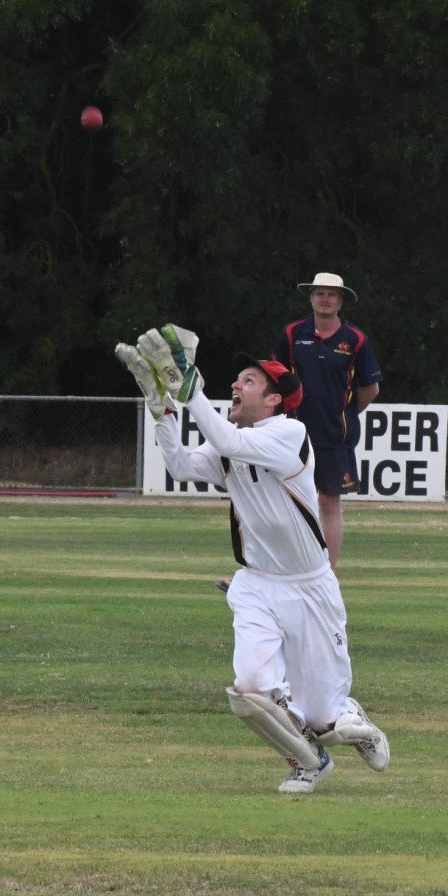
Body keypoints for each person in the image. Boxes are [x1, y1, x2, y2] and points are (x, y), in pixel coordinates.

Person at [115, 325, 391, 794]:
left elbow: (230, 443)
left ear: (274, 400)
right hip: (258, 585)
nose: (236, 387)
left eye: (248, 382)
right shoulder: (231, 441)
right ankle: (309, 762)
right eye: (235, 380)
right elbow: (182, 465)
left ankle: (345, 718)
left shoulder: (288, 433)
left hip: (310, 588)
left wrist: (191, 387)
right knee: (249, 692)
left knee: (326, 717)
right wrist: (163, 407)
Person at [275, 273, 382, 567]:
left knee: (329, 502)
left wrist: (344, 413)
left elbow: (371, 388)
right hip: (294, 434)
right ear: (310, 297)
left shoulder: (355, 339)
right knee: (288, 503)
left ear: (341, 300)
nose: (325, 299)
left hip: (335, 436)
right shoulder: (291, 334)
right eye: (320, 293)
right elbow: (274, 379)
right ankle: (288, 567)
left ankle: (328, 573)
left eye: (331, 294)